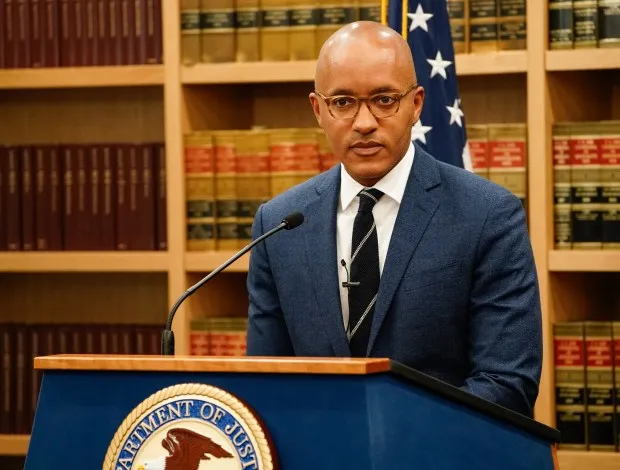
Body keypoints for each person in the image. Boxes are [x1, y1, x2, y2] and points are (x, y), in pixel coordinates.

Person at [245, 21, 542, 418]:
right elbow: (264, 380)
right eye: (343, 102)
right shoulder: (279, 223)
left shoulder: (488, 215)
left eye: (384, 100)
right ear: (318, 109)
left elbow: (508, 383)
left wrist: (391, 440)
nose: (364, 122)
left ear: (417, 104)